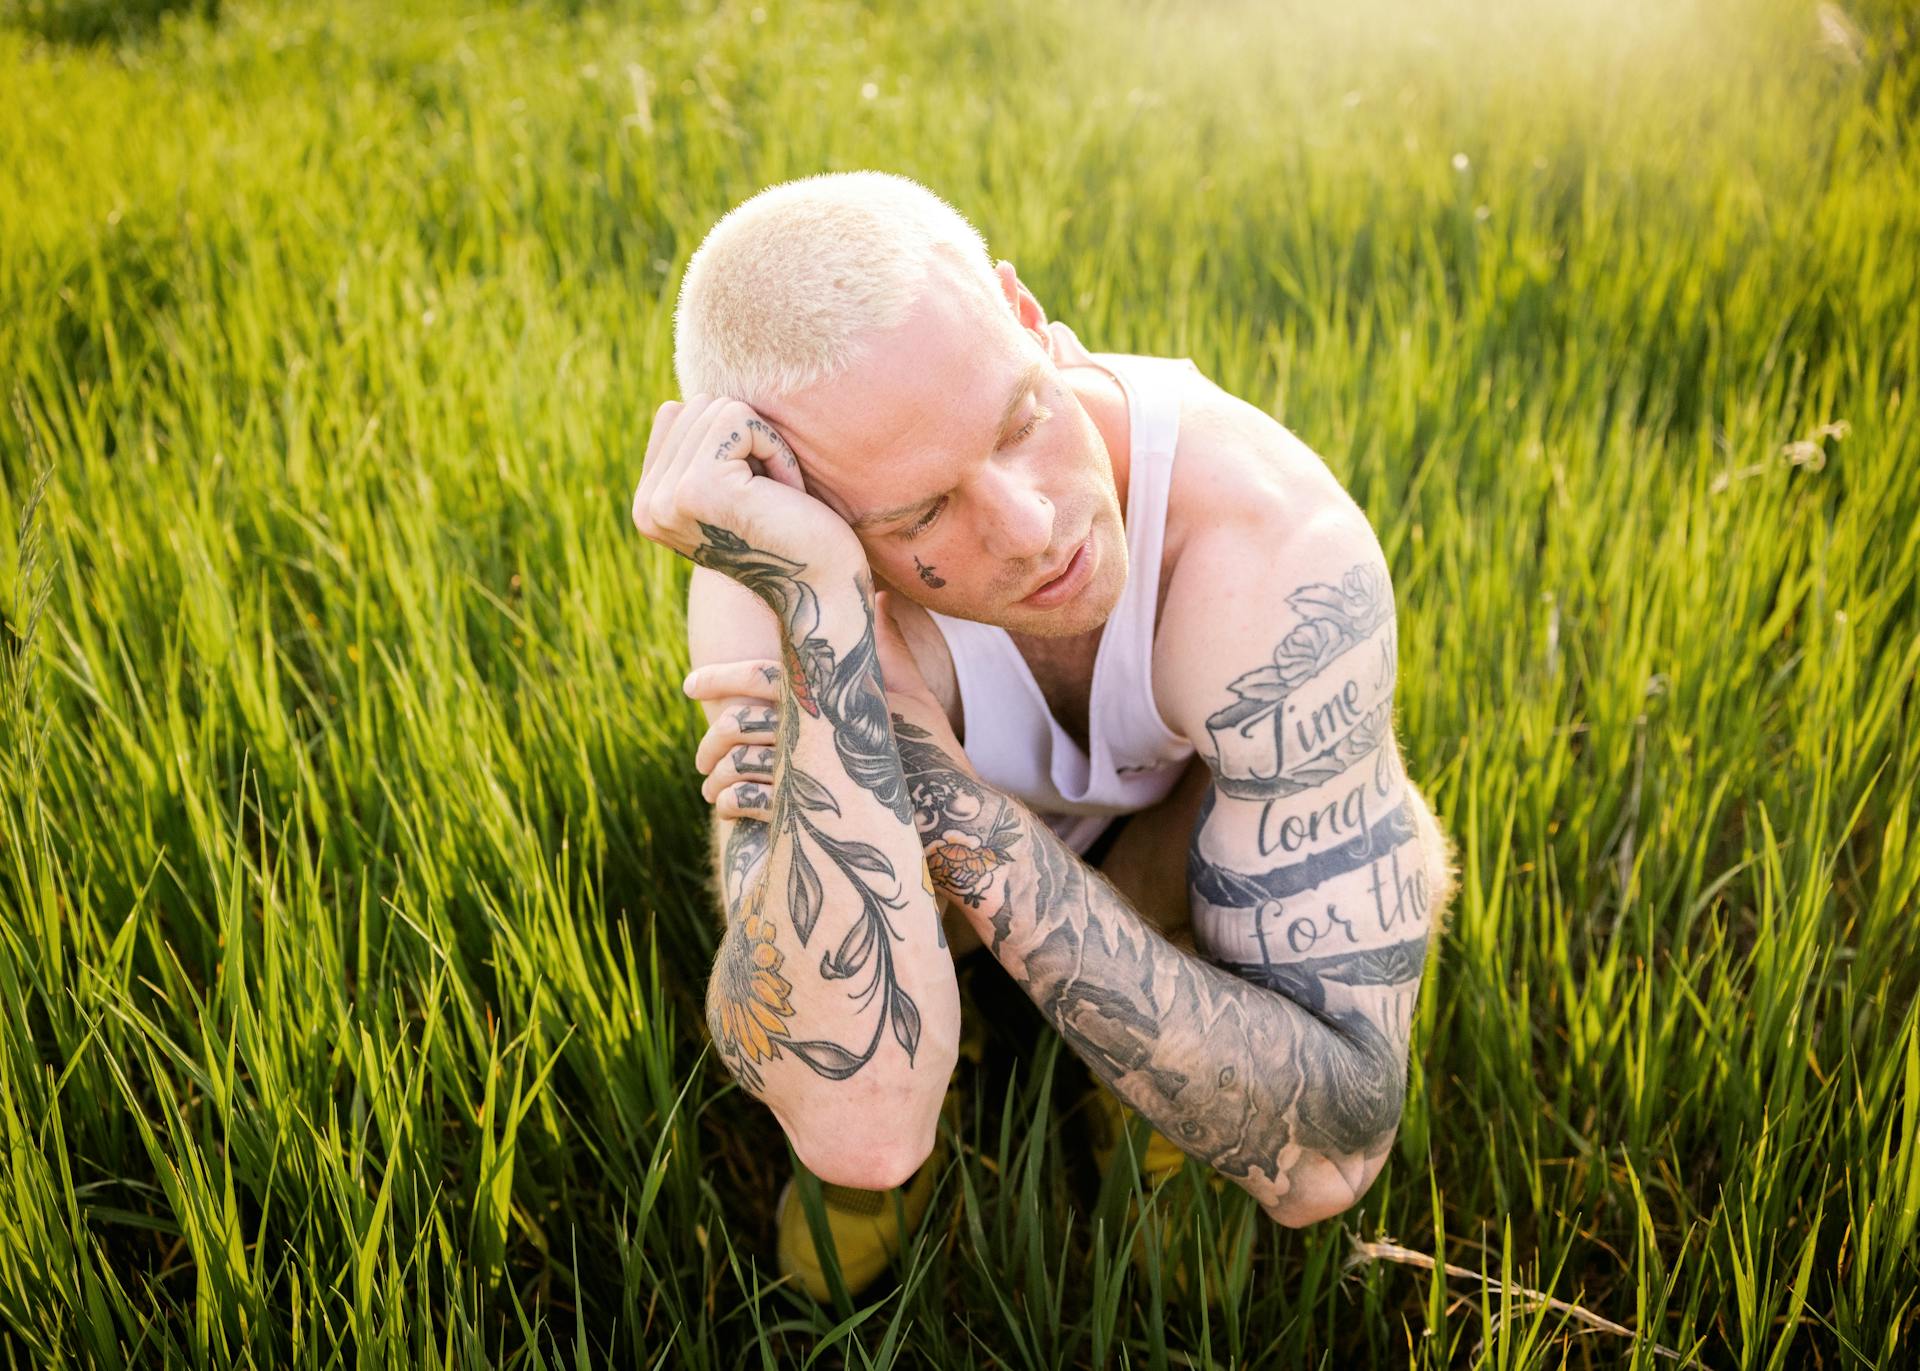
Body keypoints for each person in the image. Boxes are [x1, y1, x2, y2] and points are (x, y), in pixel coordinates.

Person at [632, 170, 1456, 1300]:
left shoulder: (1267, 550)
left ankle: (1146, 1092)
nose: (1034, 526)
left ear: (1025, 317)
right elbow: (856, 1125)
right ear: (799, 509)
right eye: (921, 512)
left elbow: (1332, 1150)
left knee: (1232, 806)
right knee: (847, 973)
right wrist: (822, 616)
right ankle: (943, 1030)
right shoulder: (774, 580)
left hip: (1166, 855)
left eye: (1024, 418)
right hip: (942, 903)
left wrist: (936, 781)